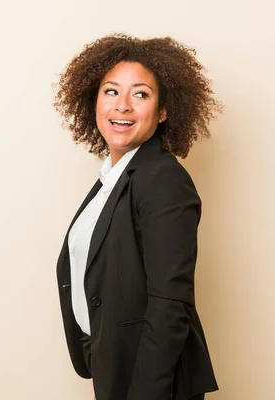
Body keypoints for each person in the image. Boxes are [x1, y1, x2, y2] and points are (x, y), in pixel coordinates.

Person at [53, 33, 222, 400]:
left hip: (150, 383)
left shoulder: (162, 179)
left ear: (162, 111)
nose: (123, 106)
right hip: (115, 366)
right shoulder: (111, 181)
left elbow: (169, 304)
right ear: (93, 100)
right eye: (111, 91)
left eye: (141, 94)